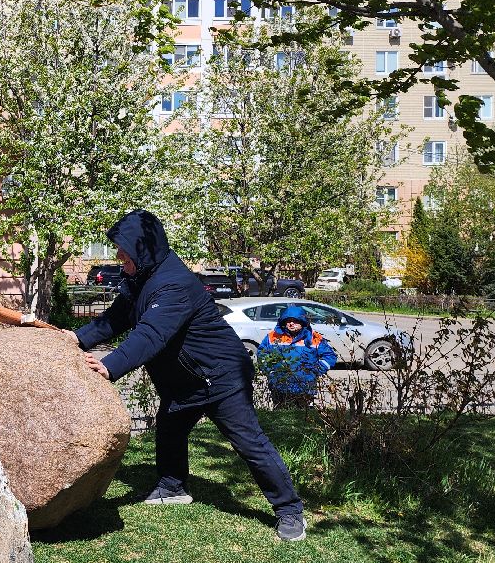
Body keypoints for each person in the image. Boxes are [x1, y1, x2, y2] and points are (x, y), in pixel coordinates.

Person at [70, 210, 307, 542]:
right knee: (169, 430)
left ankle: (289, 510)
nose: (119, 255)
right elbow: (116, 319)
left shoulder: (174, 284)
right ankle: (172, 486)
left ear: (143, 249)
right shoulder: (143, 279)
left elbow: (152, 333)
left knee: (250, 444)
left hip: (220, 377)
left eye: (124, 250)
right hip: (185, 381)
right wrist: (76, 340)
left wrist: (111, 365)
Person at [257, 305, 337, 409]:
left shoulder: (313, 338)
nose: (291, 323)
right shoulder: (273, 336)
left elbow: (330, 356)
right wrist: (270, 371)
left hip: (305, 387)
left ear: (302, 321)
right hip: (279, 386)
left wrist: (315, 370)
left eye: (295, 321)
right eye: (288, 320)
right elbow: (262, 354)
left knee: (302, 418)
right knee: (280, 416)